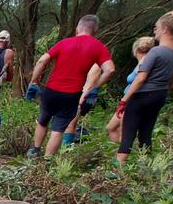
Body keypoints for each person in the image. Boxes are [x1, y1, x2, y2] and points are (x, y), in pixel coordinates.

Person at [25, 15, 115, 157]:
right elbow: (110, 70)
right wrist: (94, 87)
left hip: (52, 90)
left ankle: (35, 151)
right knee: (58, 129)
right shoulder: (99, 47)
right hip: (72, 94)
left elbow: (42, 61)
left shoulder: (64, 42)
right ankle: (47, 160)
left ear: (78, 27)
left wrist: (33, 82)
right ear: (95, 30)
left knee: (43, 121)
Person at [115, 7, 173, 162]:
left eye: (156, 27)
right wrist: (164, 92)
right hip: (160, 95)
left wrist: (124, 100)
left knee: (128, 133)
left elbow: (140, 78)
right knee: (146, 132)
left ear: (165, 29)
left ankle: (119, 168)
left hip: (141, 95)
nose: (155, 30)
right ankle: (147, 166)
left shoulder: (156, 52)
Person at [106, 36, 156, 145]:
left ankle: (123, 153)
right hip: (128, 100)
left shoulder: (144, 63)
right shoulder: (142, 62)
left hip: (132, 99)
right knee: (111, 127)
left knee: (124, 133)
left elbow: (140, 80)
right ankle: (118, 150)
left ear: (135, 50)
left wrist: (125, 100)